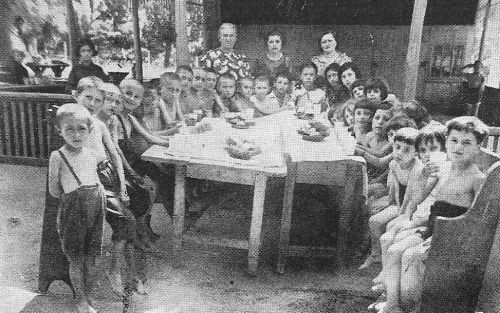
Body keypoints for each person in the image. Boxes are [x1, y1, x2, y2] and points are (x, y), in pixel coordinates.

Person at [374, 117, 488, 313]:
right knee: (394, 250)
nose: (458, 147)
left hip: (451, 237)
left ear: (478, 146)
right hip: (431, 230)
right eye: (453, 141)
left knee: (411, 255)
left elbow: (478, 220)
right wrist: (424, 175)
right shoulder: (443, 169)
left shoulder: (477, 179)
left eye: (466, 142)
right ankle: (393, 305)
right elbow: (417, 198)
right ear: (446, 142)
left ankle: (415, 306)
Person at [48, 103, 105, 313]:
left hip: (96, 209)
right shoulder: (58, 156)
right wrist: (73, 198)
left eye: (81, 129)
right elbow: (54, 191)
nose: (76, 134)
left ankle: (88, 296)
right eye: (69, 129)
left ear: (89, 131)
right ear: (59, 131)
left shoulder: (91, 154)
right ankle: (80, 299)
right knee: (76, 258)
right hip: (73, 212)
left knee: (93, 256)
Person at [359, 127, 420, 270]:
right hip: (399, 203)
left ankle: (388, 262)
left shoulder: (416, 169)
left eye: (406, 150)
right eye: (397, 147)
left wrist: (401, 213)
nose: (399, 152)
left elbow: (411, 196)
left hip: (414, 206)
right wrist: (390, 204)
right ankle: (375, 255)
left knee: (388, 224)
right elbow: (395, 190)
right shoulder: (394, 164)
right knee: (374, 219)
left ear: (416, 153)